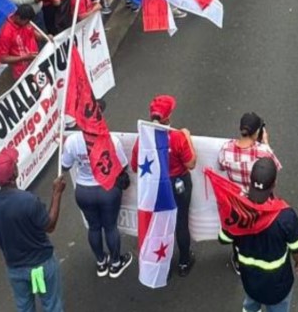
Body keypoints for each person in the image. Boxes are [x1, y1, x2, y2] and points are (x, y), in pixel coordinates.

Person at [0, 147, 66, 312]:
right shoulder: (28, 201)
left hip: (15, 268)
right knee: (52, 305)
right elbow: (50, 226)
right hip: (42, 263)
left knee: (24, 308)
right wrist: (57, 194)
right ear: (14, 174)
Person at [218, 159, 298, 312]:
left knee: (251, 305)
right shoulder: (285, 216)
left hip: (250, 283)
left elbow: (224, 238)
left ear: (250, 181)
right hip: (278, 288)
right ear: (274, 184)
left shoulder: (238, 211)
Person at [132, 95, 198, 277]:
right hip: (178, 185)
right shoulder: (178, 137)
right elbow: (191, 163)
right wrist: (187, 136)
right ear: (168, 117)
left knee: (160, 225)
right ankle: (184, 261)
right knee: (181, 223)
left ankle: (162, 265)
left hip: (156, 188)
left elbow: (134, 167)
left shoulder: (143, 141)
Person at [61, 128, 132, 278]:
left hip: (84, 191)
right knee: (110, 227)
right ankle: (115, 264)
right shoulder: (112, 139)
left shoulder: (72, 140)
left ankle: (101, 262)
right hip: (108, 190)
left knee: (94, 227)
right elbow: (123, 165)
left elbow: (65, 166)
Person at [218, 112, 282, 192]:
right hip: (258, 196)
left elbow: (221, 167)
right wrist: (266, 144)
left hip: (236, 197)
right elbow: (273, 174)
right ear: (257, 132)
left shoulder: (225, 148)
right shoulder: (264, 152)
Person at [0, 5, 40, 79]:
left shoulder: (26, 21)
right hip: (23, 72)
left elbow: (35, 34)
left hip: (36, 62)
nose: (28, 23)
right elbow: (3, 59)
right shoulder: (6, 34)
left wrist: (46, 37)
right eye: (26, 21)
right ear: (18, 18)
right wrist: (24, 58)